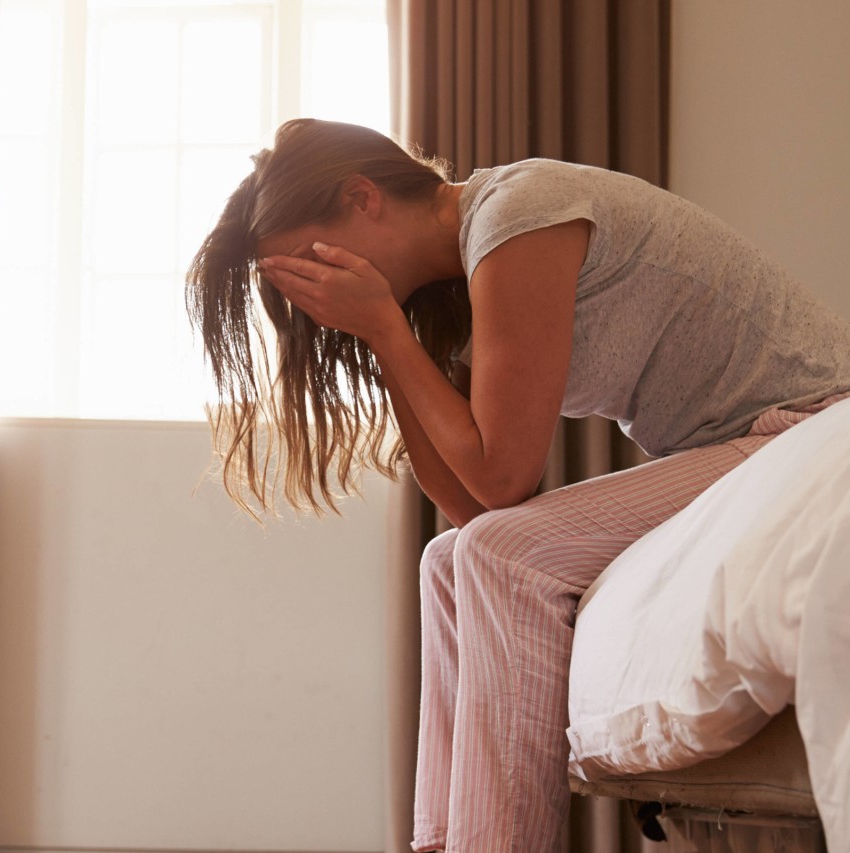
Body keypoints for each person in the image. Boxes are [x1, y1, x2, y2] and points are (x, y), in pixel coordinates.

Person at [185, 117, 850, 851]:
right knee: (449, 557)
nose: (316, 296)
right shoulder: (457, 285)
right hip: (735, 445)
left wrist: (386, 333)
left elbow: (502, 480)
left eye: (312, 265)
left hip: (799, 424)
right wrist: (383, 340)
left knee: (506, 553)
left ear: (362, 196)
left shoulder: (515, 217)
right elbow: (470, 507)